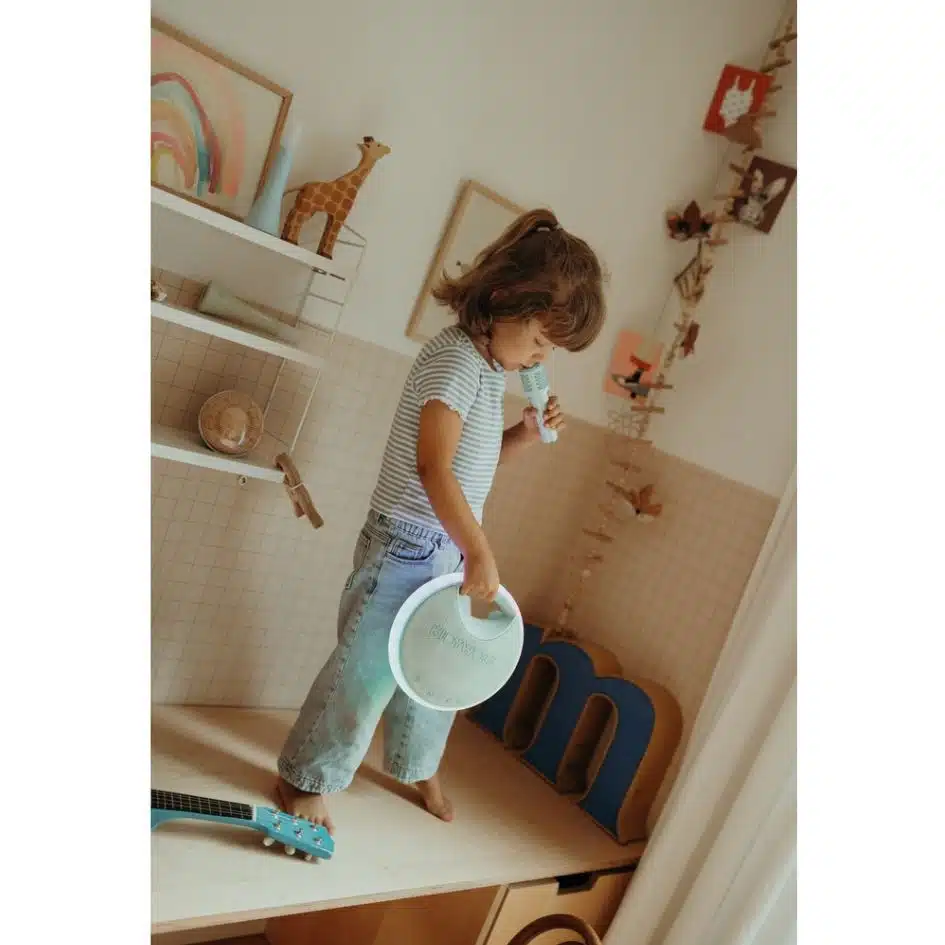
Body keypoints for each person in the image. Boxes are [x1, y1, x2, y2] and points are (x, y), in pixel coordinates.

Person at [275, 207, 607, 834]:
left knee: (435, 671)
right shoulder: (454, 361)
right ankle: (306, 776)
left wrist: (523, 434)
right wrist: (479, 550)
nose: (542, 356)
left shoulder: (488, 369)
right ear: (504, 299)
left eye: (550, 349)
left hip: (444, 550)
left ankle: (415, 763)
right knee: (365, 674)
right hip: (406, 546)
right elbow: (434, 469)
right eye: (540, 340)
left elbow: (469, 464)